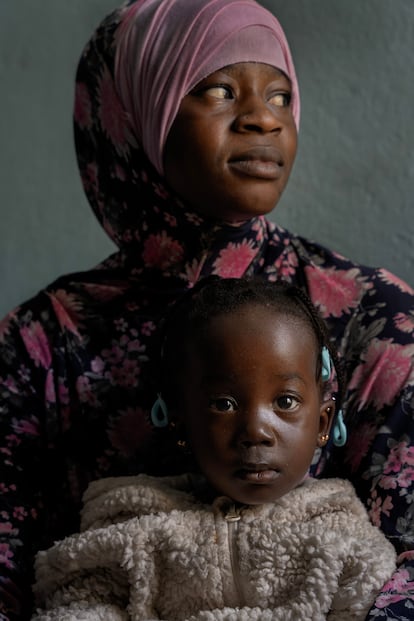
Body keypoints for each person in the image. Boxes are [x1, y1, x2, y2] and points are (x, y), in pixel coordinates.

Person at [0, 0, 412, 619]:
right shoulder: (42, 342)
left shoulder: (375, 319)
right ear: (136, 113)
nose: (261, 120)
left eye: (279, 97)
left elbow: (403, 571)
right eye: (219, 90)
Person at [31, 278, 396, 620]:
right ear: (181, 422)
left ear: (322, 423)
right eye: (223, 404)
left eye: (285, 401)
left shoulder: (342, 531)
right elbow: (79, 603)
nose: (255, 431)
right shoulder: (132, 520)